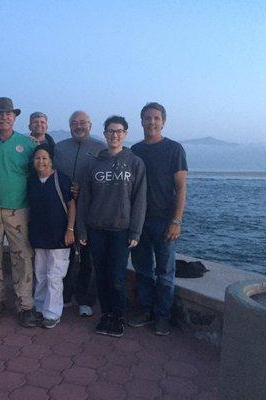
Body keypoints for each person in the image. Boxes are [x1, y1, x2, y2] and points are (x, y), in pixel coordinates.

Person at [78, 116, 146, 337]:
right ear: (105, 134)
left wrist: (135, 230)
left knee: (116, 276)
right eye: (110, 131)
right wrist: (82, 229)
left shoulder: (135, 163)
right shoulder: (93, 163)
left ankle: (117, 317)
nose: (114, 135)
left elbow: (139, 199)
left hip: (121, 229)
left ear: (125, 134)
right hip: (96, 228)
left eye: (119, 131)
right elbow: (84, 199)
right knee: (101, 275)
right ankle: (105, 315)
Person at [129, 102, 188, 336]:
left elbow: (181, 188)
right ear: (141, 121)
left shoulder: (174, 149)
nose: (151, 122)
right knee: (143, 270)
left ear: (163, 122)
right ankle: (146, 311)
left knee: (165, 272)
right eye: (147, 118)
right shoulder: (134, 150)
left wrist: (177, 221)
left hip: (164, 221)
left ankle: (162, 316)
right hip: (139, 222)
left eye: (156, 118)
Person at [0, 97, 37, 327]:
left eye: (9, 114)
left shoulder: (28, 144)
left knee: (22, 257)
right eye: (0, 113)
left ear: (15, 117)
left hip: (20, 208)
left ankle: (25, 305)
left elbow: (41, 172)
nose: (4, 117)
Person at [54, 111, 105, 317]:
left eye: (83, 122)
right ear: (69, 125)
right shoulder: (59, 148)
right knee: (63, 254)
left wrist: (82, 188)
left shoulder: (101, 148)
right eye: (74, 122)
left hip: (90, 210)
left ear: (90, 125)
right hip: (62, 209)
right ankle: (64, 295)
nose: (78, 125)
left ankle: (85, 299)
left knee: (88, 257)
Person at [28, 144, 76, 328]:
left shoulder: (61, 179)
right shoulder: (32, 181)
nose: (41, 161)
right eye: (37, 158)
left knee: (55, 276)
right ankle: (39, 308)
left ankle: (53, 312)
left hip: (59, 237)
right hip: (38, 235)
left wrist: (70, 229)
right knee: (40, 275)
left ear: (51, 160)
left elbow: (71, 205)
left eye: (44, 158)